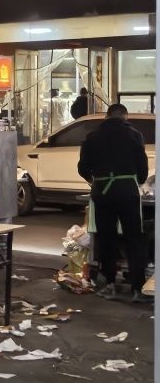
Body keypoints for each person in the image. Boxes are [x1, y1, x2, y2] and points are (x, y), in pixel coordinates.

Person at [78, 103, 148, 301]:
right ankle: (137, 289)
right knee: (134, 238)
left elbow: (83, 168)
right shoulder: (134, 135)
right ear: (125, 117)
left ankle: (110, 285)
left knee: (106, 239)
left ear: (107, 117)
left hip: (102, 191)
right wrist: (136, 181)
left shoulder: (92, 137)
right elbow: (142, 168)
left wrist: (95, 180)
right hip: (127, 190)